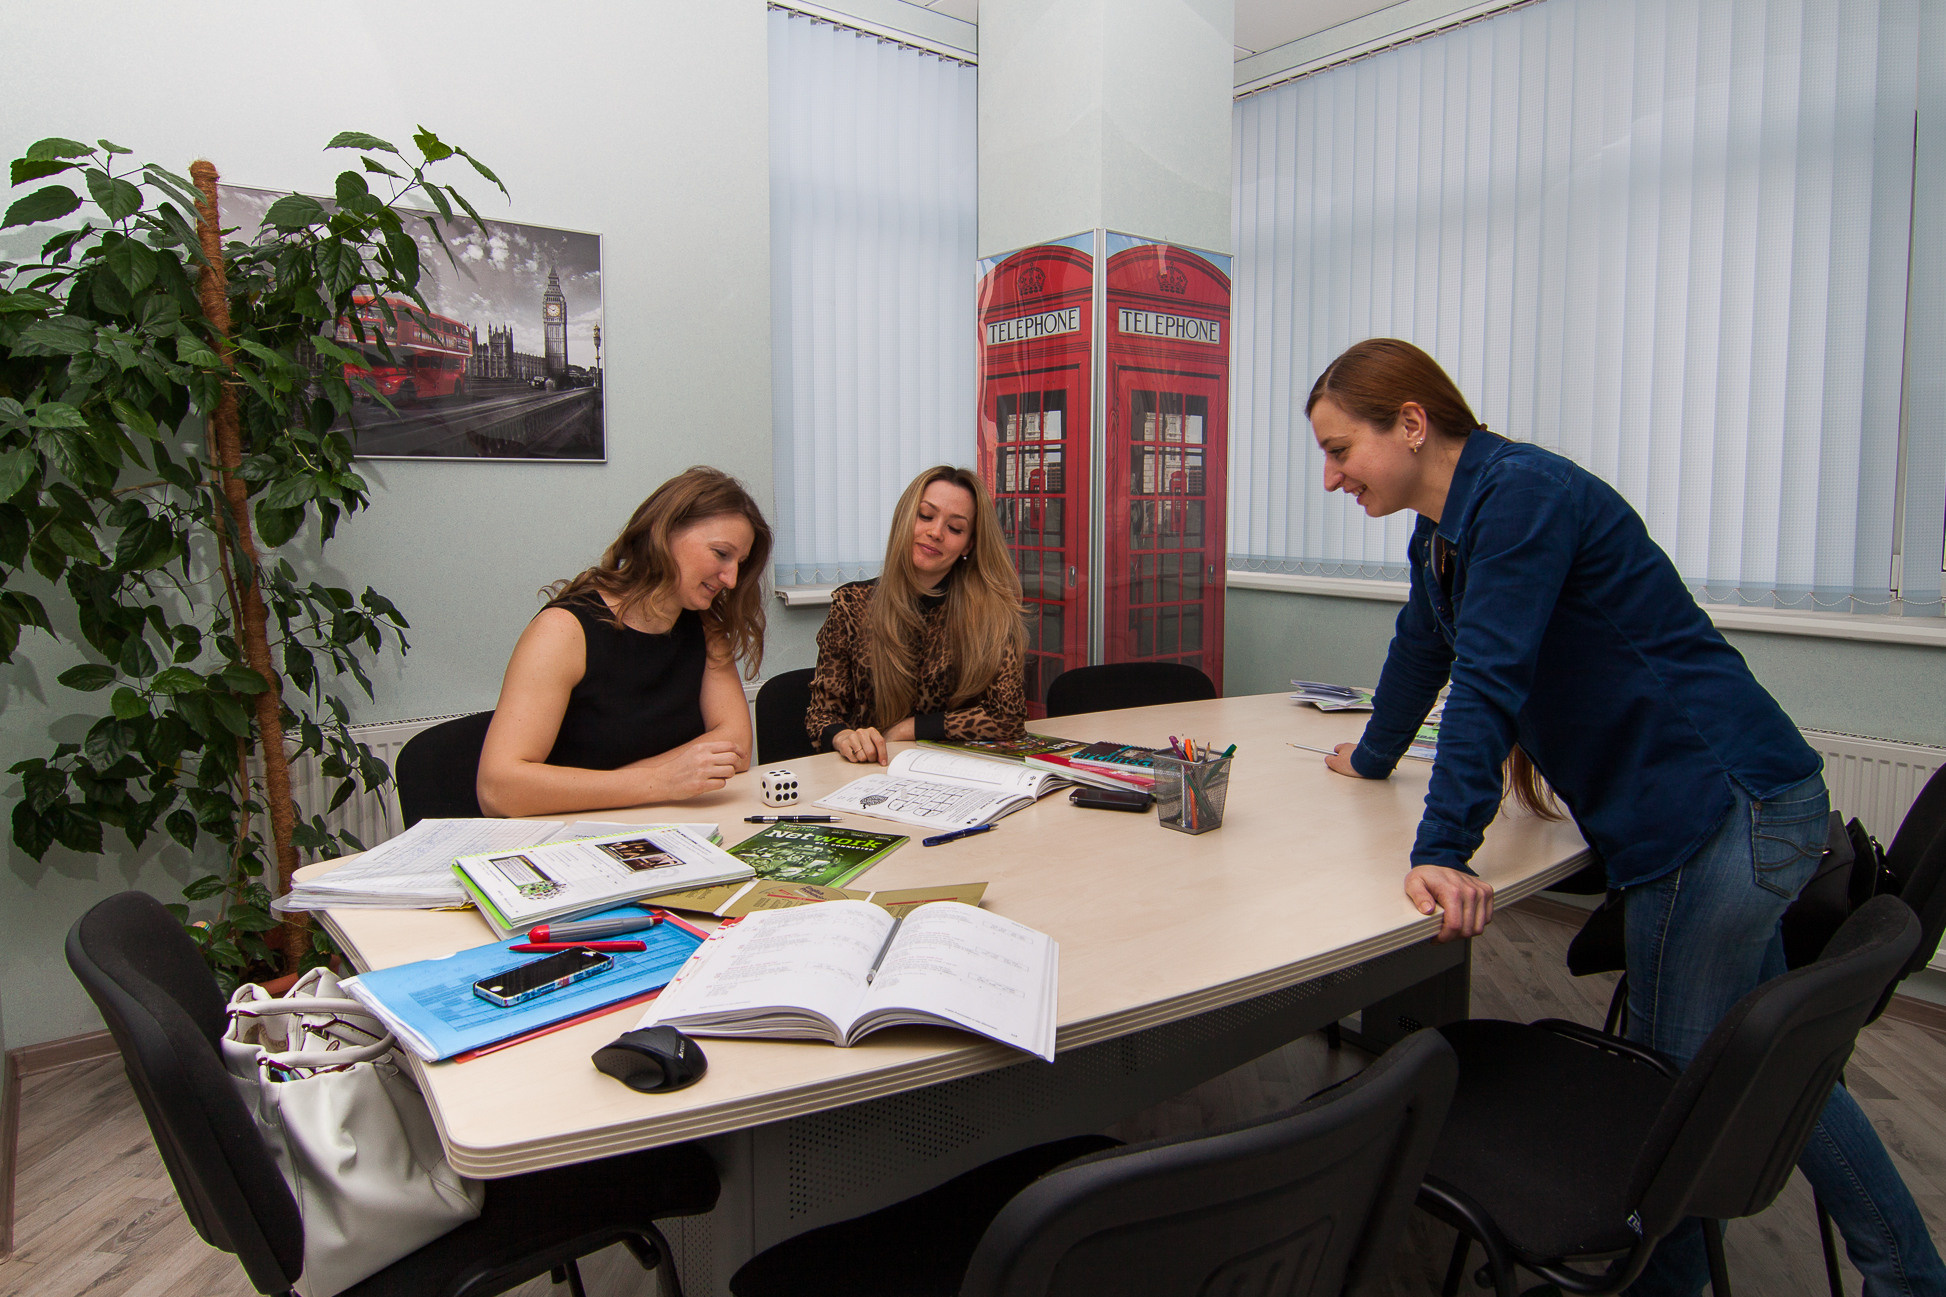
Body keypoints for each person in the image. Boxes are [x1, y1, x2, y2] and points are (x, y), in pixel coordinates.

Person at [1307, 338, 1945, 1297]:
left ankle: (1668, 1283)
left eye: (1338, 450)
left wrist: (1443, 848)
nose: (1330, 478)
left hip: (1723, 809)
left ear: (1410, 422)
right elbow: (1422, 650)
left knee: (1676, 1090)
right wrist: (1370, 754)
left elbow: (1489, 676)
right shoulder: (1443, 533)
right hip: (1710, 810)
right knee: (1768, 1070)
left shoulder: (1520, 496)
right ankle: (1908, 1271)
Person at [476, 466, 770, 816]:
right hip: (573, 834)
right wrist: (659, 781)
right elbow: (497, 790)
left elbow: (734, 746)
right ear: (664, 532)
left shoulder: (706, 628)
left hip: (668, 823)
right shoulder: (563, 630)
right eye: (721, 553)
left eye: (740, 563)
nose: (732, 579)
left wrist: (642, 783)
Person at [806, 465, 1027, 762]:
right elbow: (821, 715)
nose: (935, 533)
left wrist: (908, 729)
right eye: (925, 516)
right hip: (870, 770)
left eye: (955, 528)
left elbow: (1009, 717)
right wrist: (844, 736)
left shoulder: (992, 613)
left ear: (968, 545)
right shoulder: (850, 605)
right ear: (905, 518)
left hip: (955, 770)